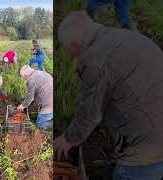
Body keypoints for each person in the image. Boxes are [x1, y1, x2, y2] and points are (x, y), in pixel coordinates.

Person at [56, 11, 163, 179]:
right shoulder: (126, 36)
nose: (73, 56)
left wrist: (68, 139)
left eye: (70, 50)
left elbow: (90, 113)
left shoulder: (94, 62)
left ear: (75, 45)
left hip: (147, 151)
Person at [17, 65, 53, 129]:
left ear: (25, 75)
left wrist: (23, 105)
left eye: (24, 77)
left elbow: (30, 97)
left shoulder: (31, 80)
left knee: (39, 125)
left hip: (48, 105)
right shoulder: (40, 72)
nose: (25, 79)